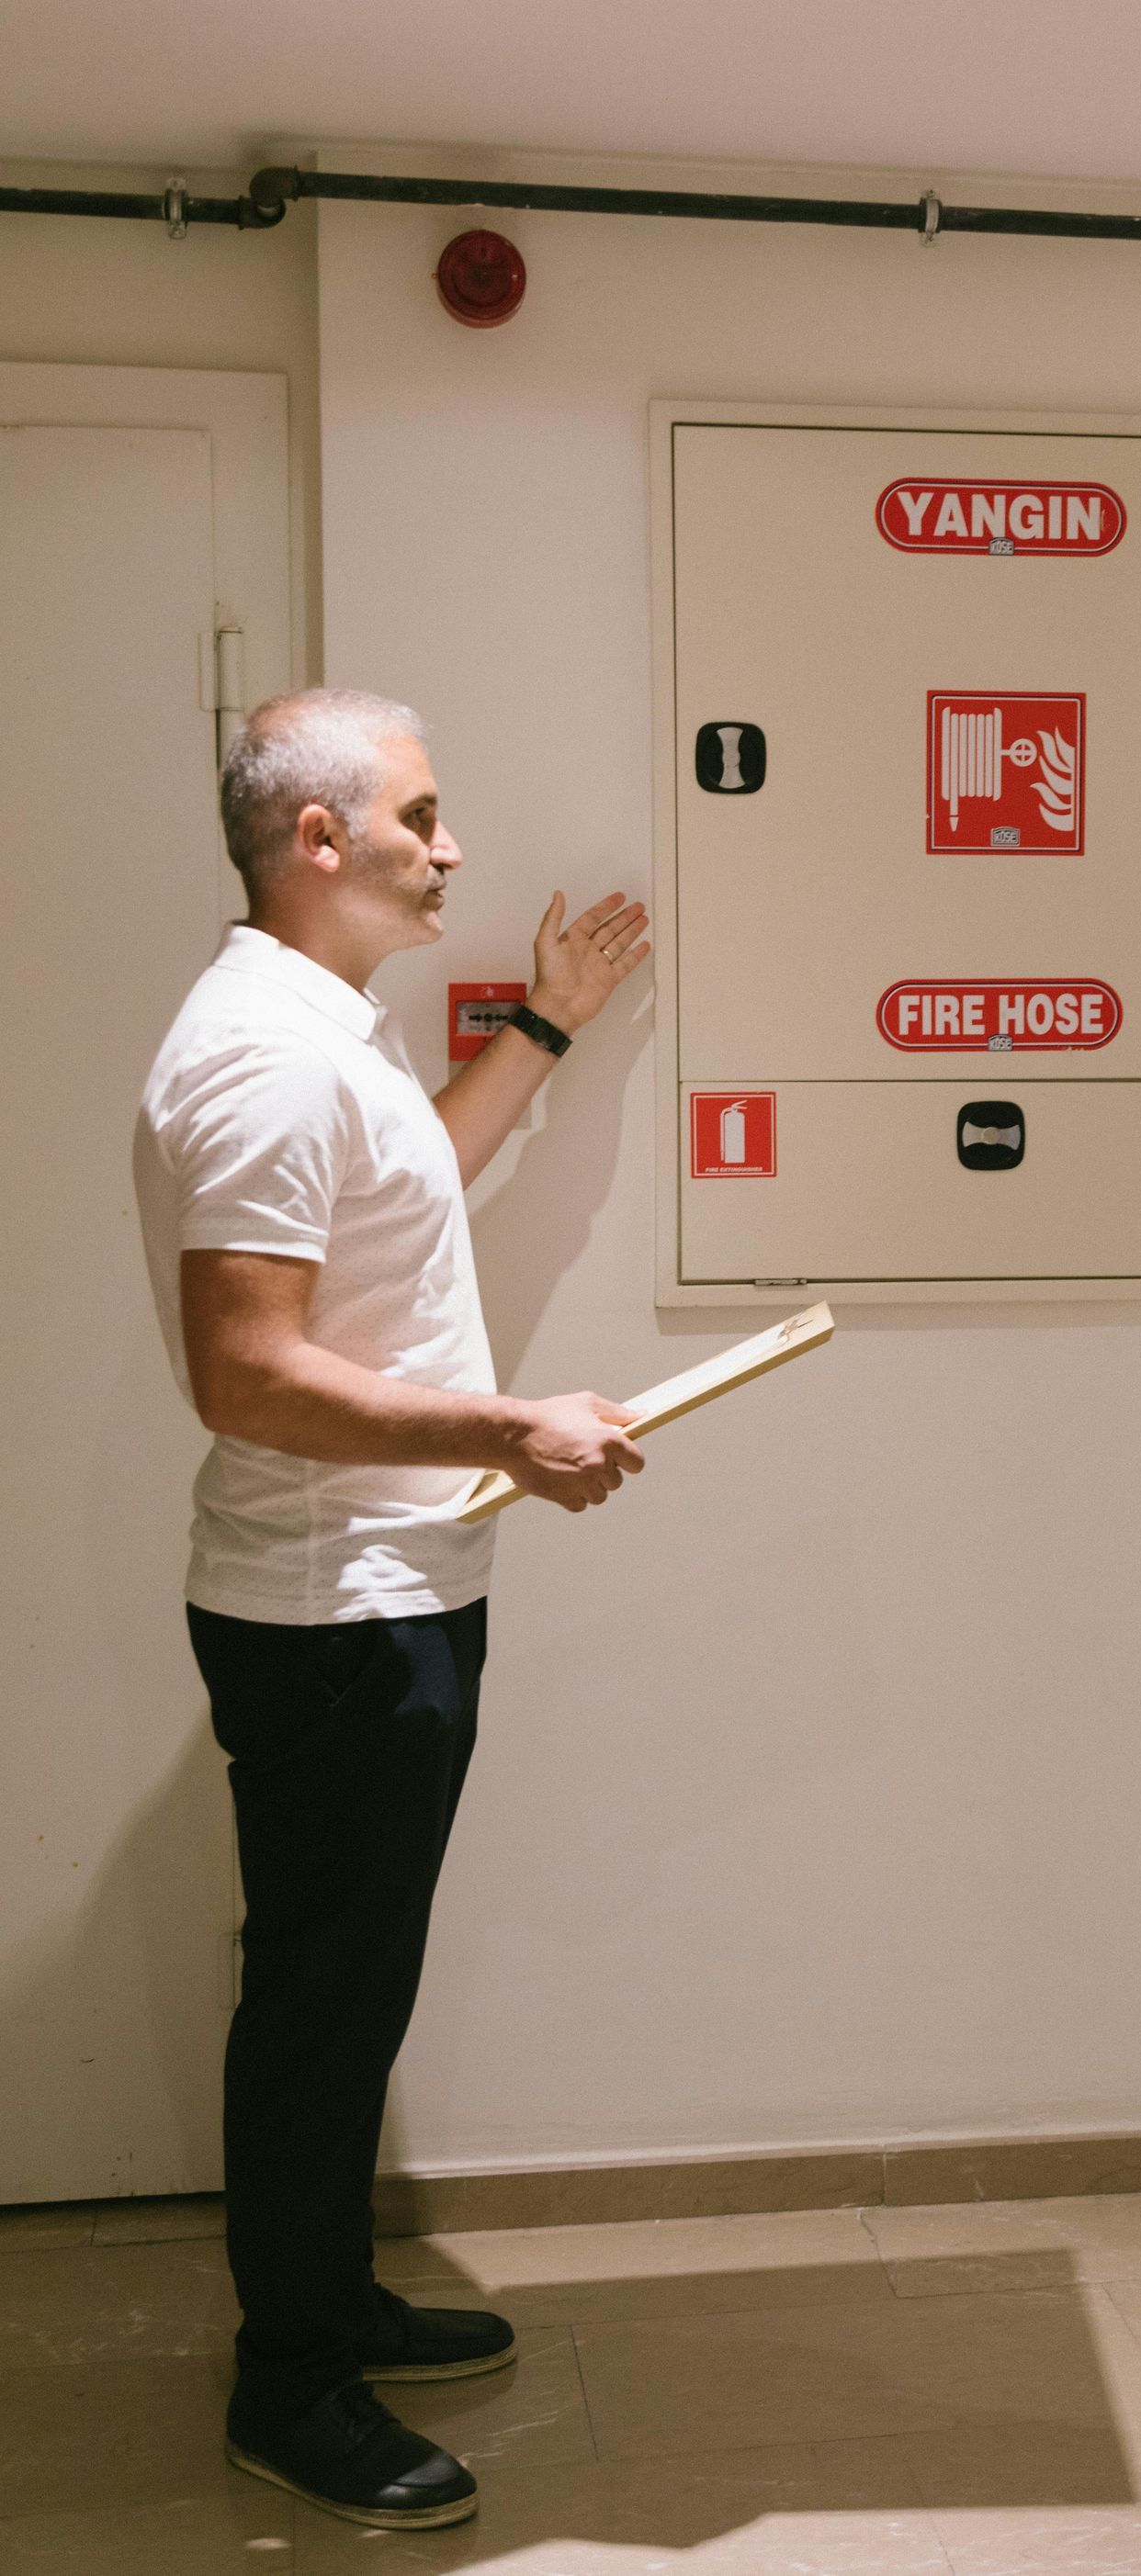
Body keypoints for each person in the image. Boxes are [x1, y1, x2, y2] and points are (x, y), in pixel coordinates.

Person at [135, 689, 652, 2531]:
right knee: (321, 1999)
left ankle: (329, 2295)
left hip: (388, 1586)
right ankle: (293, 2379)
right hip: (331, 1606)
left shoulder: (312, 1037)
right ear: (323, 840)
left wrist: (547, 1028)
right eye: (422, 814)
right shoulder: (264, 1057)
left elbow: (403, 1185)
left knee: (350, 1988)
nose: (453, 844)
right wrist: (512, 1420)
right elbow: (247, 1369)